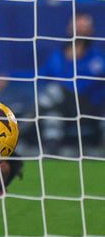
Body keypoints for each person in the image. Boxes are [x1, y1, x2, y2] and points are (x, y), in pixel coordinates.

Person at [38, 13, 105, 151]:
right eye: (78, 27)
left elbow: (87, 85)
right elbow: (41, 76)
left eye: (84, 27)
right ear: (69, 30)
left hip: (90, 105)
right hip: (62, 106)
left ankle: (22, 126)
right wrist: (10, 76)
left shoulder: (97, 58)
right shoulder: (57, 56)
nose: (80, 31)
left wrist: (77, 62)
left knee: (54, 91)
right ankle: (52, 150)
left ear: (91, 31)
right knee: (52, 112)